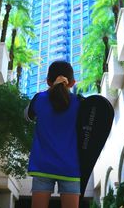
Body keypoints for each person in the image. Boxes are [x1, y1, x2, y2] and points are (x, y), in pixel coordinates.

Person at [25, 61, 82, 208]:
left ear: (48, 81)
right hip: (70, 167)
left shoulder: (39, 99)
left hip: (42, 165)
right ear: (72, 82)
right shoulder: (80, 103)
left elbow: (27, 116)